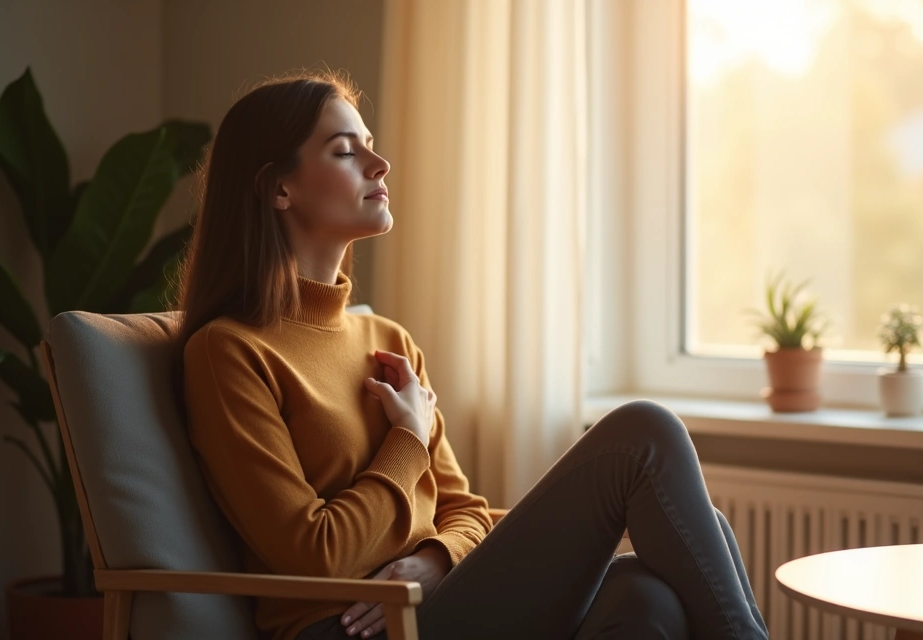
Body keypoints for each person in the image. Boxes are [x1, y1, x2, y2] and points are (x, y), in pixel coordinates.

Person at [177, 70, 769, 640]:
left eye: (371, 146)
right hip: (349, 628)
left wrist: (433, 561)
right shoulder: (228, 352)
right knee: (642, 434)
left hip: (434, 605)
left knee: (650, 590)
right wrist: (407, 440)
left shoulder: (388, 342)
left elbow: (466, 513)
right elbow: (314, 554)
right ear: (279, 188)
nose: (379, 164)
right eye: (343, 151)